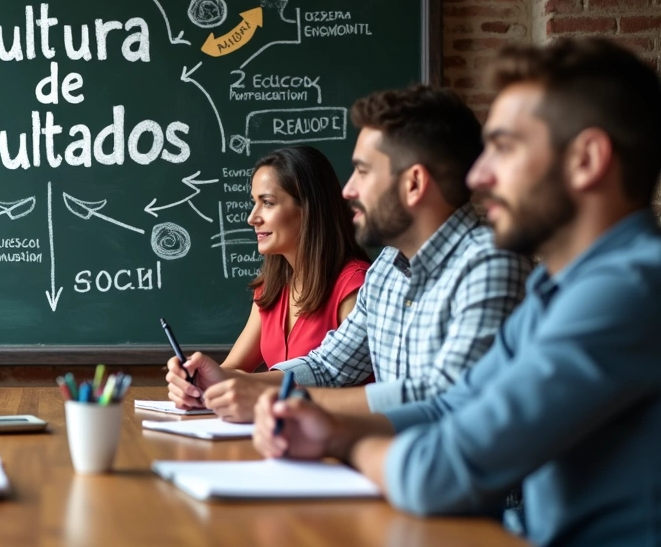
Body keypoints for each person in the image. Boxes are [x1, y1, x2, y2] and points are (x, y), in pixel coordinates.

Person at [253, 37, 661, 546]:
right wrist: (332, 428)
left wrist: (343, 443)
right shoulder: (554, 288)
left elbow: (440, 469)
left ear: (587, 159)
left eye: (505, 148)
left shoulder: (628, 290)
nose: (479, 175)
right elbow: (454, 406)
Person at [169, 85, 533, 421]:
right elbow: (329, 366)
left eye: (363, 171)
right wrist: (227, 382)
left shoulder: (490, 262)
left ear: (414, 183)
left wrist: (279, 398)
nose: (348, 190)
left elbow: (444, 398)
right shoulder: (387, 268)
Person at [165, 146, 370, 397]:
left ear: (310, 208)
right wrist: (198, 383)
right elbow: (233, 368)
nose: (252, 218)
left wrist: (230, 383)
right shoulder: (271, 288)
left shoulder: (356, 286)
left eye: (268, 203)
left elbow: (334, 378)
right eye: (255, 203)